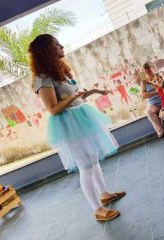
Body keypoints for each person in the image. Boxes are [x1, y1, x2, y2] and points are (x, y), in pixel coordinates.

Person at [29, 34, 125, 221]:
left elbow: (74, 96)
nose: (62, 46)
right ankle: (97, 209)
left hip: (81, 119)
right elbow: (53, 109)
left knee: (93, 159)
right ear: (47, 51)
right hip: (69, 126)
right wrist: (73, 97)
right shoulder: (42, 79)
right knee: (85, 166)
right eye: (57, 45)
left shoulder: (58, 71)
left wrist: (95, 92)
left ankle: (104, 194)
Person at [141, 62, 164, 137]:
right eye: (145, 69)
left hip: (163, 101)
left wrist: (151, 84)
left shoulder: (158, 76)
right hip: (153, 104)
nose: (147, 71)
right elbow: (143, 95)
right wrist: (156, 93)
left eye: (149, 68)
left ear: (153, 68)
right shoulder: (143, 82)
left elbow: (162, 87)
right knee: (148, 111)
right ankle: (160, 130)